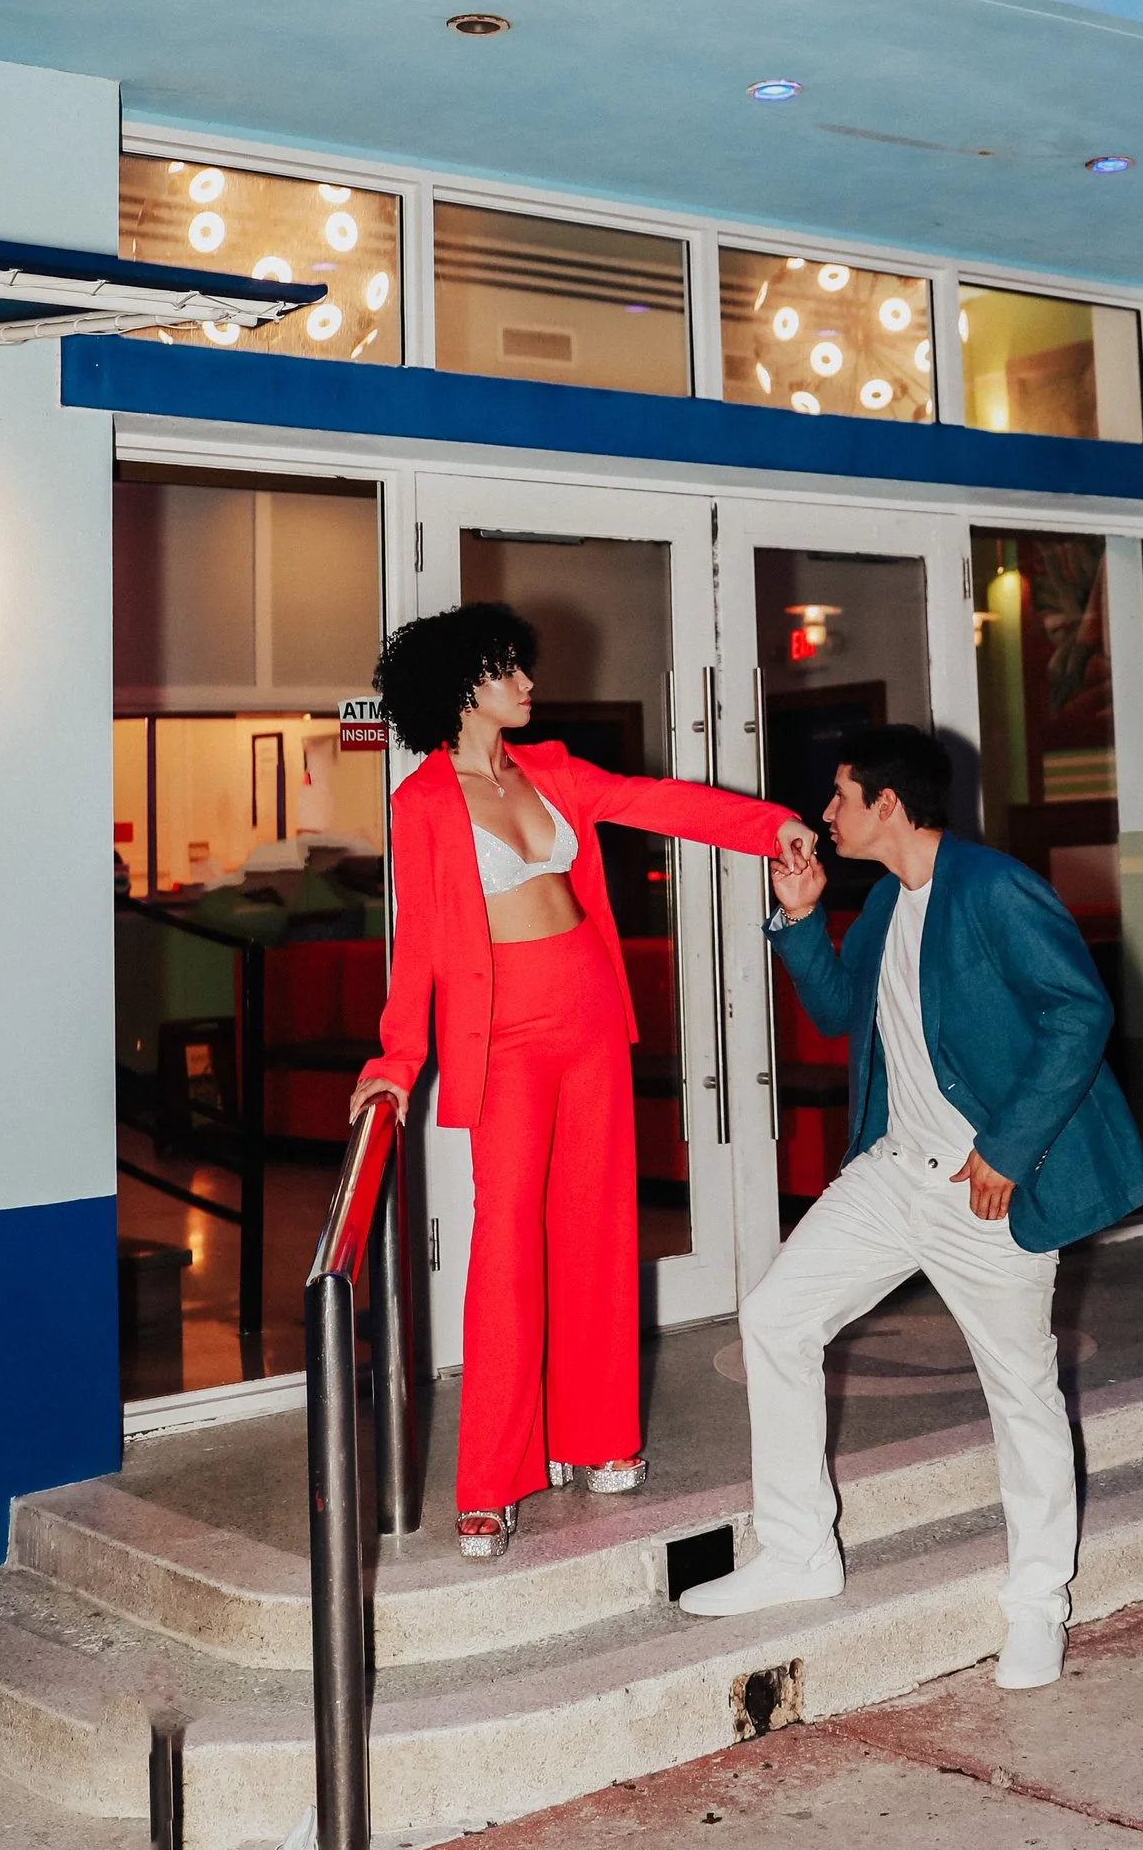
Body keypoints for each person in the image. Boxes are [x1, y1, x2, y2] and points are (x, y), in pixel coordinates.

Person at [678, 721, 1143, 1688]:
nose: (826, 813)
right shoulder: (894, 902)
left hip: (983, 1187)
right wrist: (802, 917)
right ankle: (801, 1551)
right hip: (895, 1172)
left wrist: (1008, 1149)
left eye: (841, 796)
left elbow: (1082, 1011)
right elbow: (842, 1012)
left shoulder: (993, 887)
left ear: (886, 804)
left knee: (1020, 1391)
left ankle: (1036, 1604)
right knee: (776, 1316)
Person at [347, 603, 812, 1560]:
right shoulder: (423, 802)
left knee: (599, 1229)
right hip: (505, 1035)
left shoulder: (552, 770)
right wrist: (395, 1062)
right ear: (460, 687)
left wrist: (773, 830)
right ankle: (493, 1477)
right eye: (507, 669)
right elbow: (422, 947)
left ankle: (596, 1434)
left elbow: (660, 800)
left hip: (593, 1015)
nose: (527, 684)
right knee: (506, 1245)